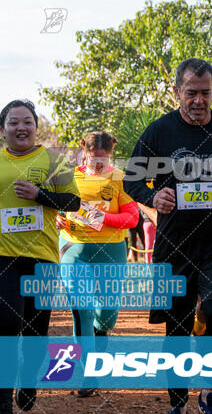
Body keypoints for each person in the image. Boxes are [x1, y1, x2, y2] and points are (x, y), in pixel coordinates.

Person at [123, 58, 212, 414]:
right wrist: (153, 196)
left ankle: (209, 391)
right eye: (191, 93)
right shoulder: (158, 132)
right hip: (175, 247)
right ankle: (178, 403)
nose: (199, 100)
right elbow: (131, 180)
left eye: (205, 93)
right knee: (177, 327)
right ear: (177, 93)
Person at [0, 99, 80, 414]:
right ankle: (3, 399)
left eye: (27, 122)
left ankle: (29, 379)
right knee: (6, 324)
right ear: (3, 129)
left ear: (35, 126)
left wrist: (40, 195)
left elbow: (73, 202)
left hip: (43, 258)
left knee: (35, 329)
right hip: (3, 256)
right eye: (13, 122)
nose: (21, 127)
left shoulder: (54, 160)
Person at [57, 131, 139, 396]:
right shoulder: (70, 177)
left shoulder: (119, 179)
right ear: (84, 151)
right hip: (73, 249)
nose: (99, 165)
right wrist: (59, 218)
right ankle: (87, 373)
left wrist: (103, 219)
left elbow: (132, 218)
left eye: (104, 160)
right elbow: (56, 207)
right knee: (82, 309)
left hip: (110, 251)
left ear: (111, 155)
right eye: (94, 160)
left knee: (106, 316)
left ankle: (97, 340)